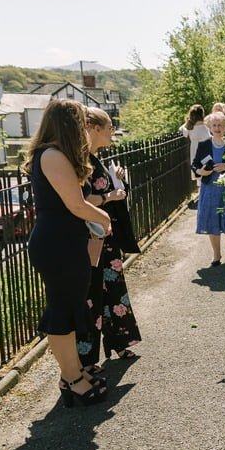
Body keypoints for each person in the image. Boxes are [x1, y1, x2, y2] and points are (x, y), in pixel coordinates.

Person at [23, 99, 111, 406]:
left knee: (71, 307)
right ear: (69, 124)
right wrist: (104, 218)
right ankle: (72, 380)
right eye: (82, 122)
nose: (86, 128)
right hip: (56, 245)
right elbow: (75, 204)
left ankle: (74, 373)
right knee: (61, 311)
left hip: (66, 242)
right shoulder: (52, 155)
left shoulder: (57, 154)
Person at [77, 107, 142, 373]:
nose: (112, 132)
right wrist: (109, 196)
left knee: (113, 289)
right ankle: (87, 359)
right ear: (94, 128)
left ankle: (120, 341)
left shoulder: (96, 158)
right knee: (92, 295)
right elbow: (82, 199)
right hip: (93, 237)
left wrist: (118, 181)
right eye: (109, 127)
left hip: (108, 236)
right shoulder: (81, 160)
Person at [192, 112, 225, 266]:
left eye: (220, 125)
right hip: (210, 188)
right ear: (209, 127)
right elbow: (194, 164)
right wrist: (201, 171)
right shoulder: (204, 144)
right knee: (212, 219)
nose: (217, 128)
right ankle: (216, 254)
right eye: (214, 125)